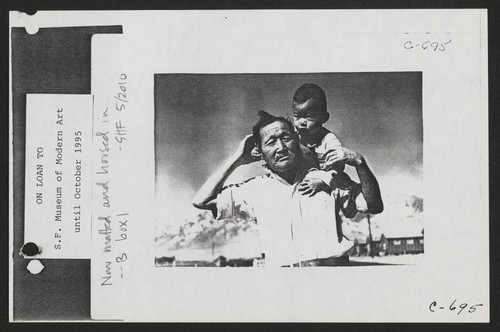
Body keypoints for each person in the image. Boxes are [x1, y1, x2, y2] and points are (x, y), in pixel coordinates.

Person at [192, 111, 383, 267]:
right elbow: (201, 201)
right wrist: (237, 159)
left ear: (297, 142)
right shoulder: (254, 190)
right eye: (271, 142)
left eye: (286, 138)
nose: (281, 147)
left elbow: (373, 205)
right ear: (260, 152)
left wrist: (359, 163)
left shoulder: (327, 178)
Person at [292, 83, 348, 196]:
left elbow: (338, 168)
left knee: (343, 185)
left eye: (309, 116)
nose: (302, 122)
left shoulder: (329, 139)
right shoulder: (292, 133)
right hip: (298, 178)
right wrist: (256, 151)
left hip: (324, 178)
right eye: (297, 116)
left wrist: (323, 181)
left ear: (324, 118)